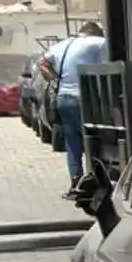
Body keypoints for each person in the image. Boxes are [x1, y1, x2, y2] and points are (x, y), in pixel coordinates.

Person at [38, 20, 107, 188]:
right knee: (94, 137)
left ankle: (76, 181)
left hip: (63, 98)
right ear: (94, 33)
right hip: (84, 99)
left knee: (72, 140)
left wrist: (54, 78)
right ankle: (95, 178)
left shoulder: (64, 44)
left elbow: (41, 63)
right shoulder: (98, 42)